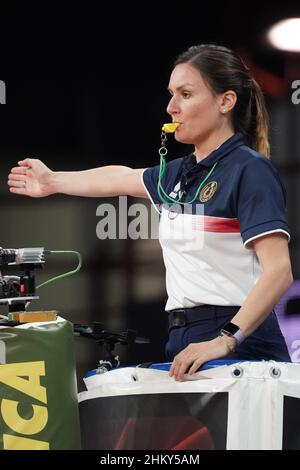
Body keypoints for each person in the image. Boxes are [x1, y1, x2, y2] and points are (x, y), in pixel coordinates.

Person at [8, 44, 293, 381]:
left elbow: (279, 272)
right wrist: (51, 180)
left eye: (185, 94)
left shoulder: (250, 170)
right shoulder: (178, 173)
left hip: (240, 340)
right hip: (182, 338)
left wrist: (226, 339)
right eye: (171, 94)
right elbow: (119, 176)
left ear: (225, 101)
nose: (171, 107)